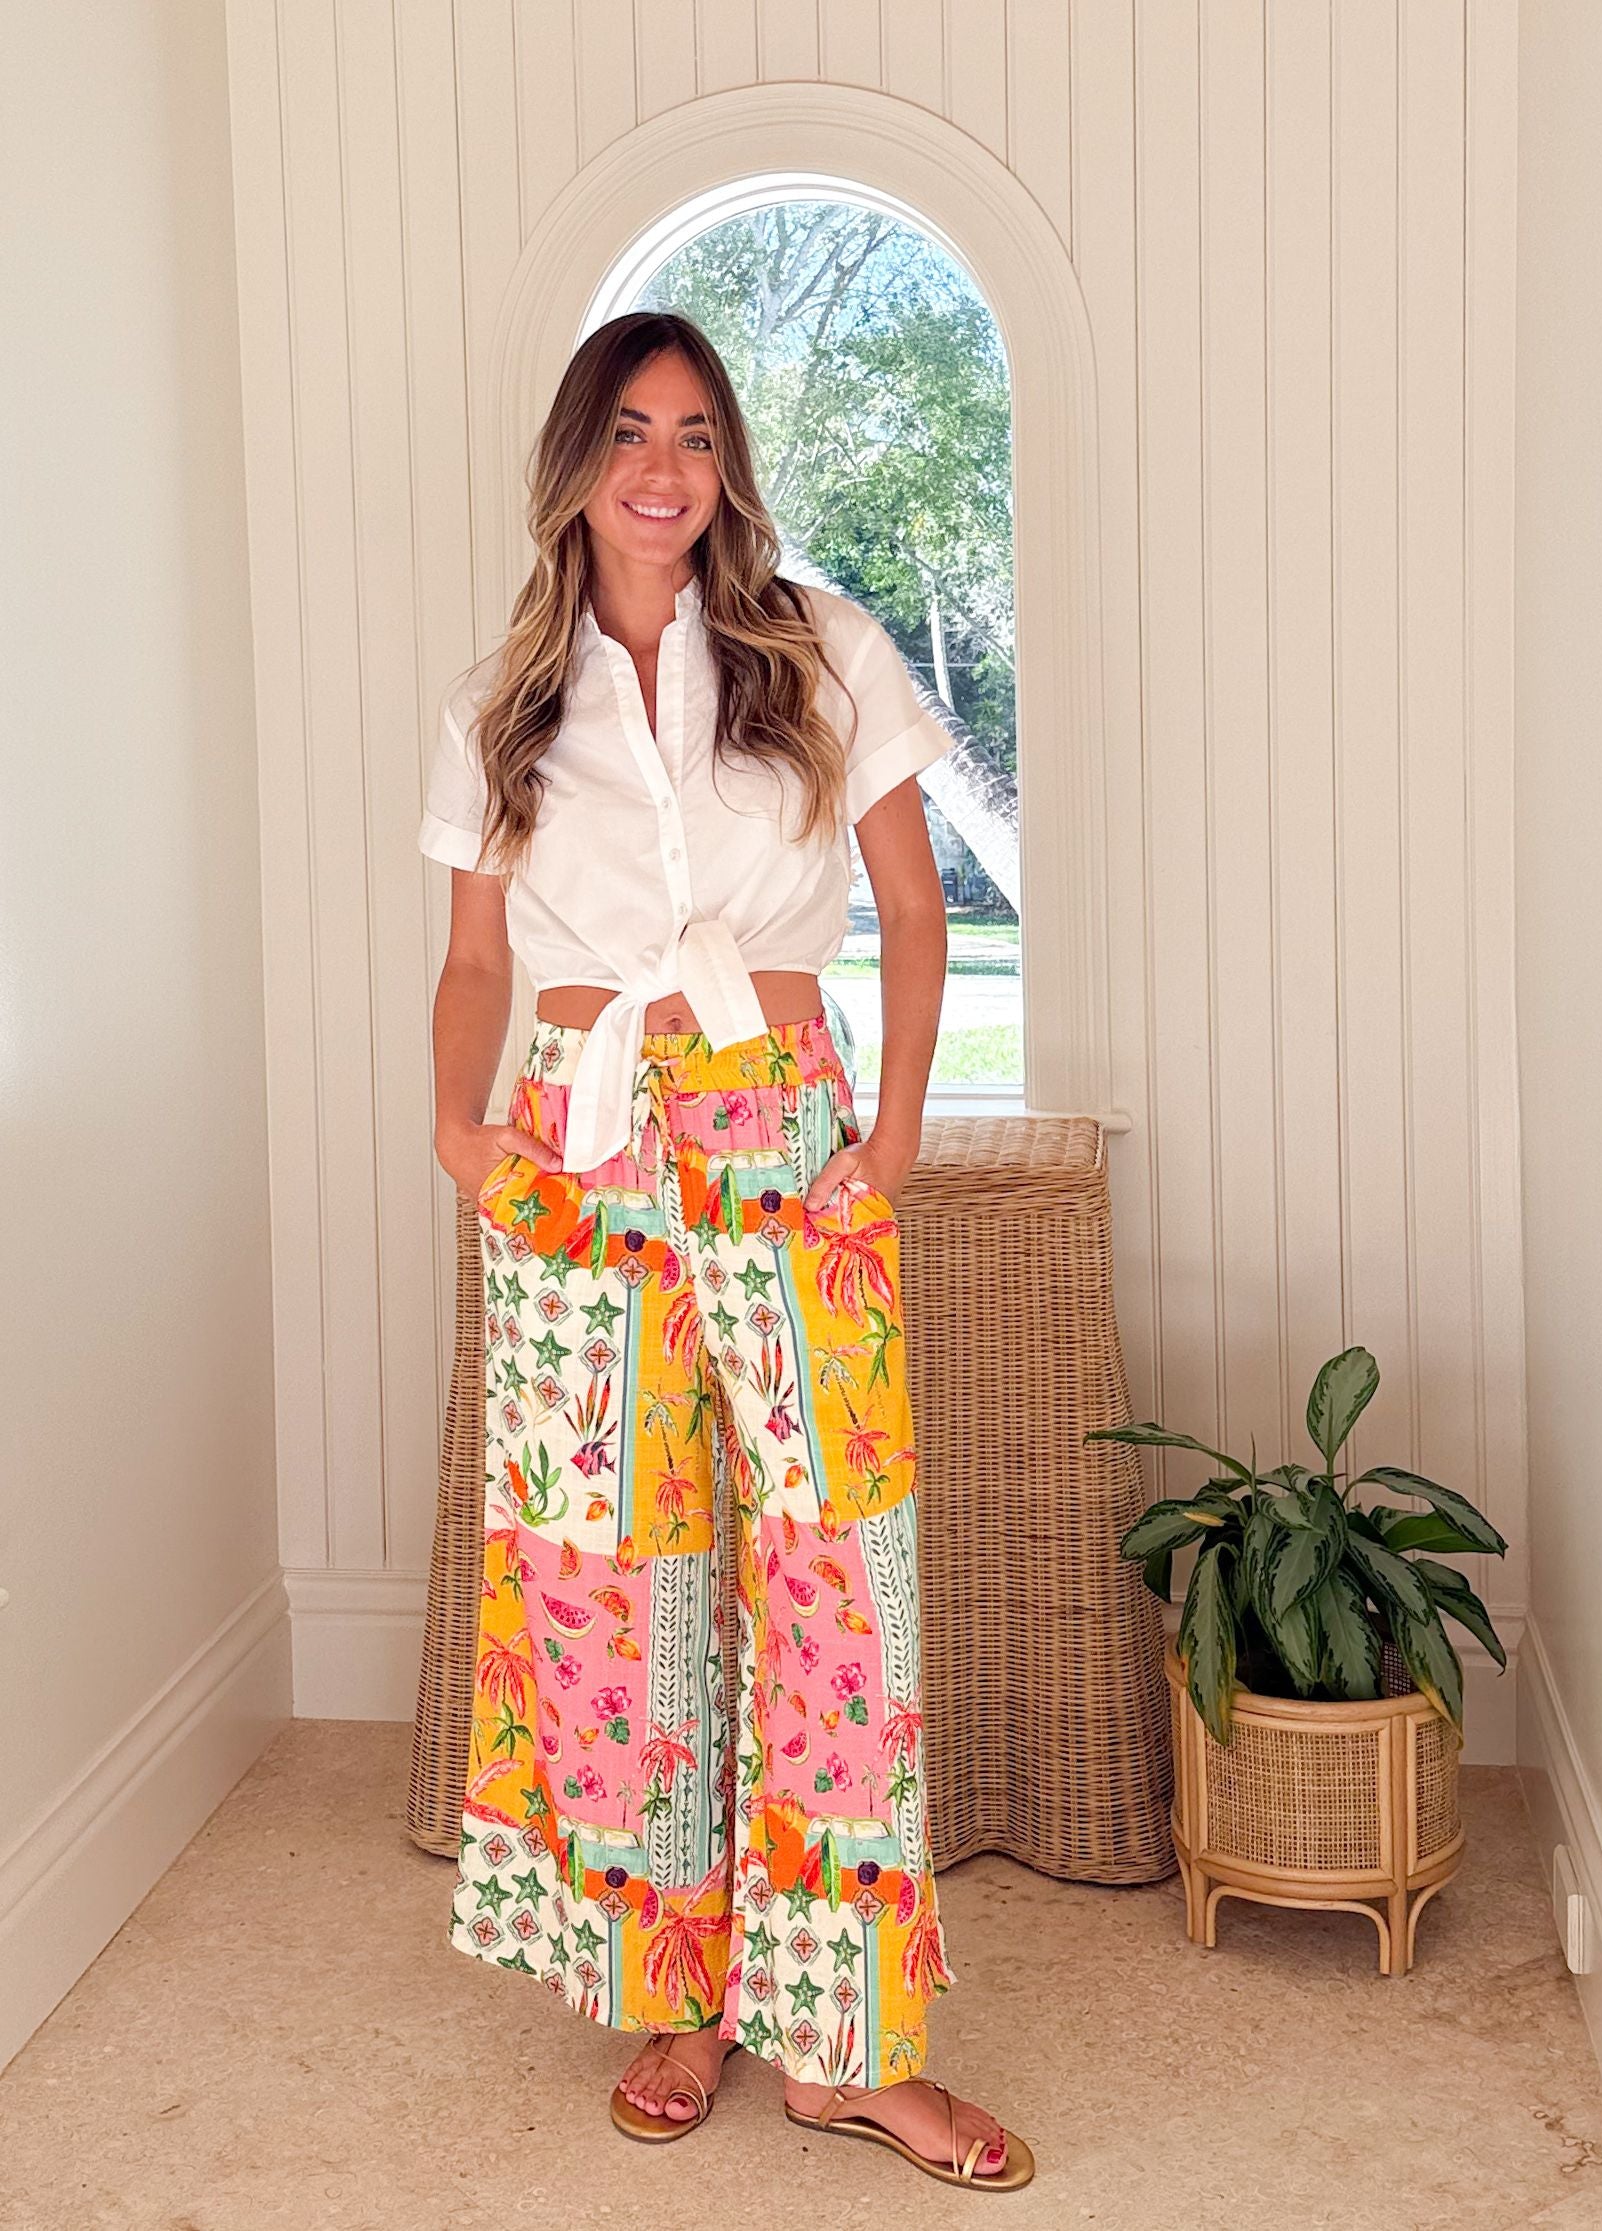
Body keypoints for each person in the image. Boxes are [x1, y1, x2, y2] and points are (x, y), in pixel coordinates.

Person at [421, 309, 1033, 2192]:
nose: (663, 466)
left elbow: (913, 912)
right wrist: (457, 1129)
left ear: (727, 464)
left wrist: (892, 1136)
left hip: (782, 1132)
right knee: (615, 1582)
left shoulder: (817, 646)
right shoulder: (502, 705)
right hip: (575, 1141)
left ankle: (851, 2048)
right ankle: (679, 1997)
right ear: (575, 459)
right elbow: (471, 960)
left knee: (838, 1572)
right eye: (629, 429)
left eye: (695, 432)